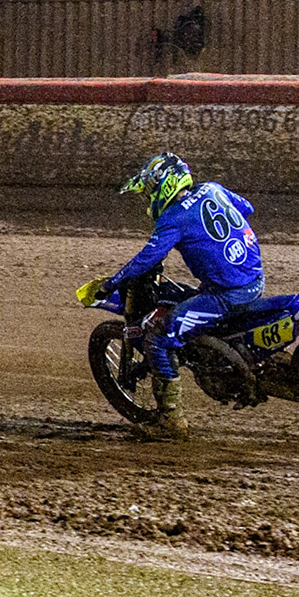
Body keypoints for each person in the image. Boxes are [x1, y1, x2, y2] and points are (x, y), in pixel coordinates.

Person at [78, 152, 264, 439]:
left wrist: (111, 284)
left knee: (159, 336)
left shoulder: (173, 219)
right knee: (189, 300)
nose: (147, 199)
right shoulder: (213, 189)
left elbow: (146, 258)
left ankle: (170, 420)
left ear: (164, 186)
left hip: (228, 294)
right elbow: (247, 207)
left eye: (149, 192)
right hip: (254, 277)